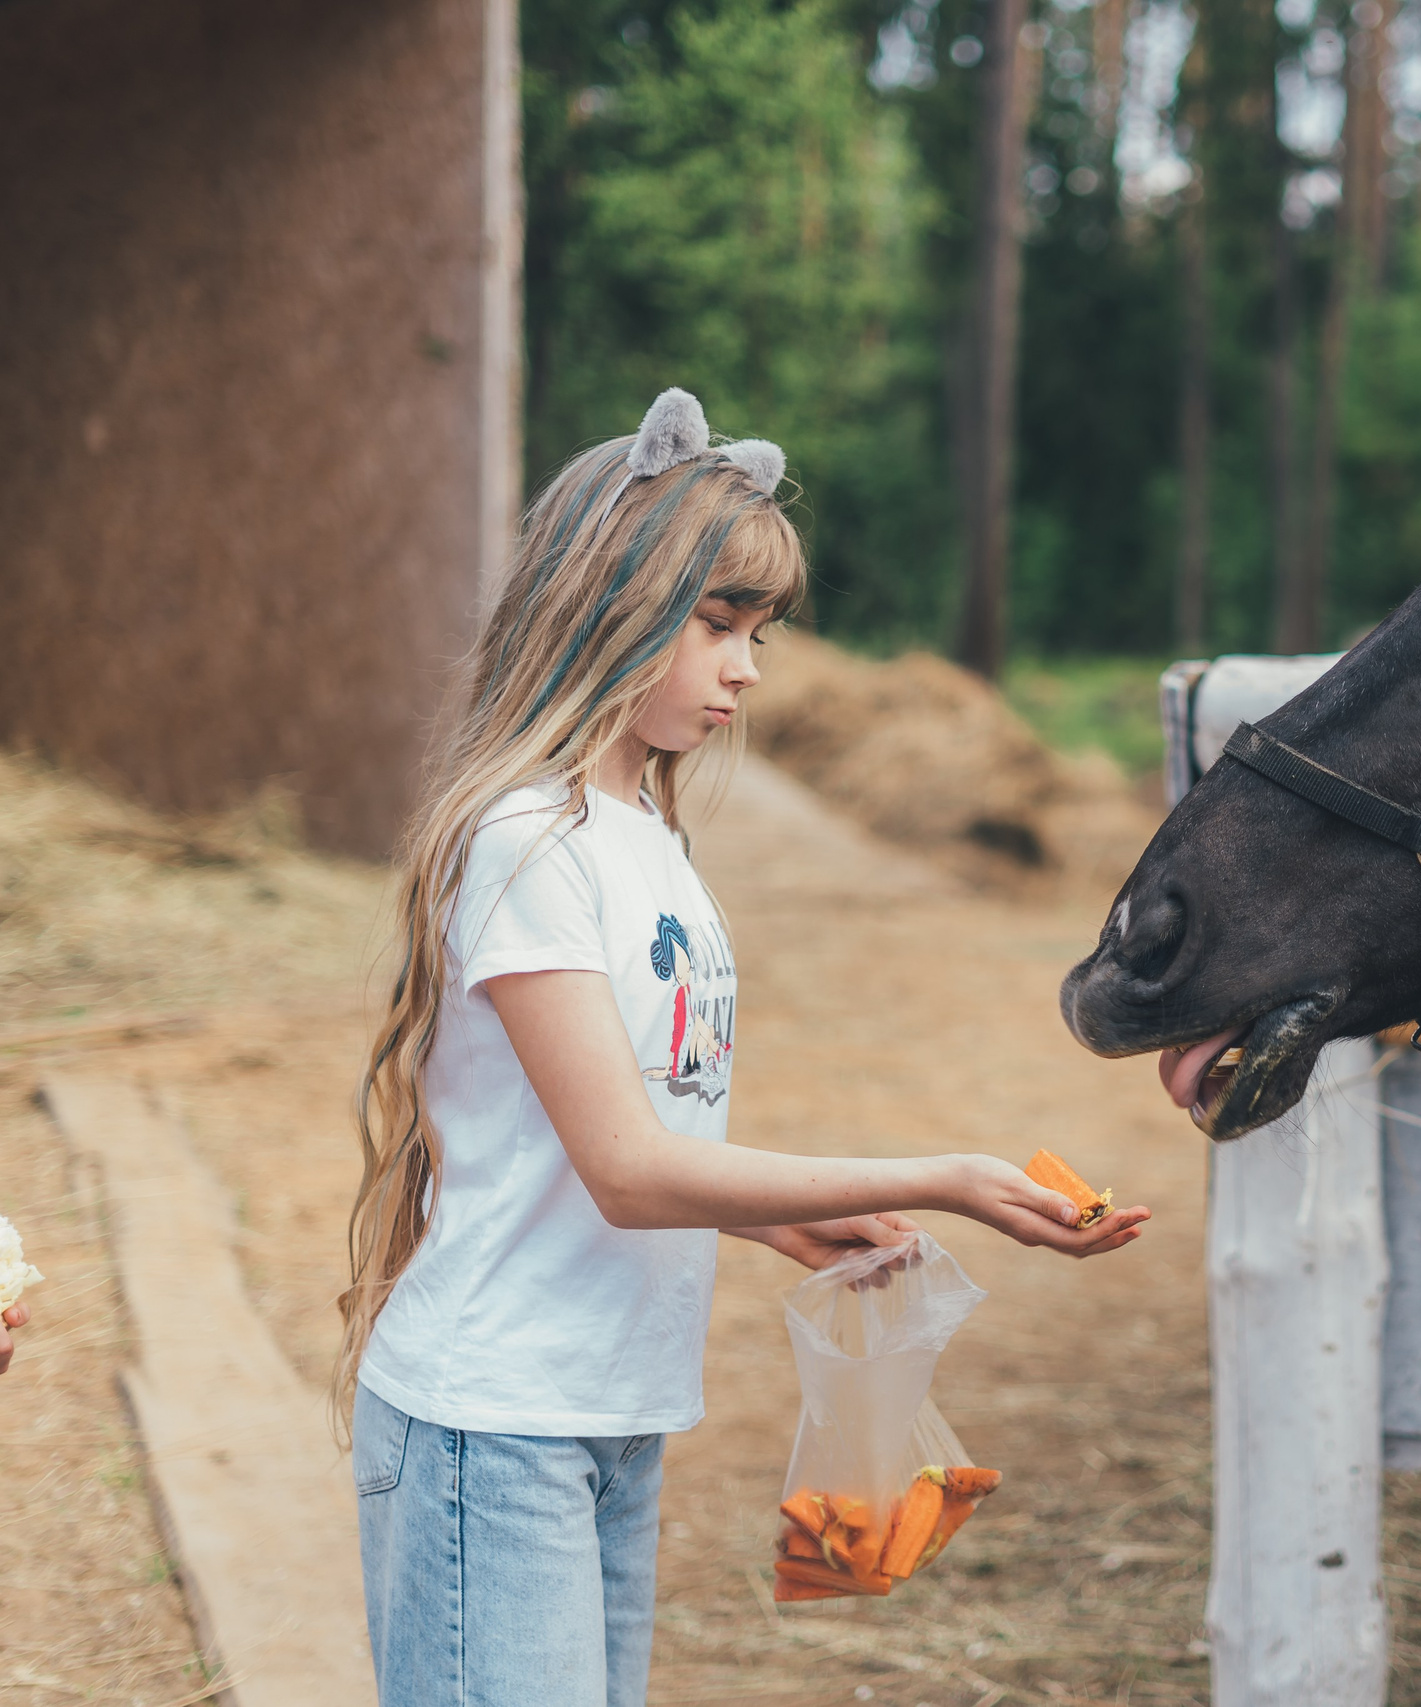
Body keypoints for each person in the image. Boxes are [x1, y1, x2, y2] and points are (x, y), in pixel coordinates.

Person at [335, 390, 1149, 1707]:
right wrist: (940, 1174)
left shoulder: (648, 843)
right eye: (717, 624)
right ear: (605, 606)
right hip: (499, 1420)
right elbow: (627, 1169)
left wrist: (786, 1228)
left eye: (759, 631)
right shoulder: (520, 842)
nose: (748, 667)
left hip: (611, 1408)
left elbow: (636, 1139)